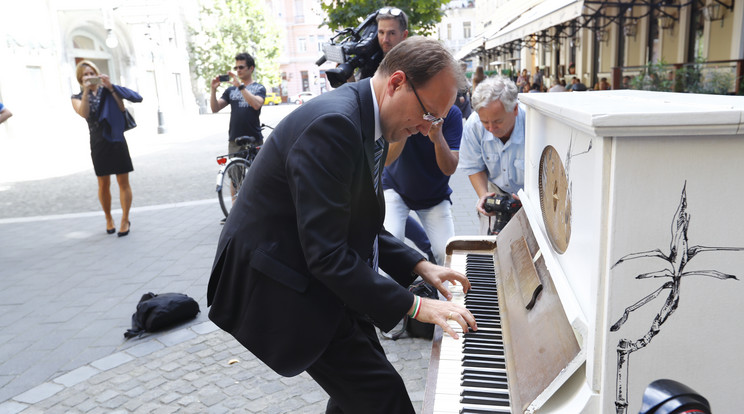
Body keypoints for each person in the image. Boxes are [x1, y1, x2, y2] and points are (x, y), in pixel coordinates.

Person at [207, 37, 476, 414]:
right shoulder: (335, 125)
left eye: (438, 120)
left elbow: (354, 218)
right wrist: (416, 307)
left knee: (362, 392)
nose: (428, 127)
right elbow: (328, 254)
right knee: (383, 395)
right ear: (397, 82)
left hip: (322, 275)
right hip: (282, 281)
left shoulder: (363, 116)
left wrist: (419, 265)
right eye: (429, 113)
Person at [382, 104, 462, 266]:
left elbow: (449, 169)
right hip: (395, 186)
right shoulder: (401, 108)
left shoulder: (451, 113)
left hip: (435, 194)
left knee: (446, 252)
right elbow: (386, 160)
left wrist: (438, 138)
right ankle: (392, 288)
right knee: (390, 241)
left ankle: (443, 289)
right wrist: (407, 127)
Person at [71, 60, 140, 237]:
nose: (89, 76)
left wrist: (110, 88)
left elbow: (121, 108)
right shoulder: (77, 97)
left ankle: (125, 219)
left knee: (123, 182)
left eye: (92, 73)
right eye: (85, 75)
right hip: (98, 143)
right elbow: (84, 113)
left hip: (117, 140)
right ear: (80, 78)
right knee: (103, 184)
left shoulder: (108, 91)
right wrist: (86, 91)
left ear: (97, 74)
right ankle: (109, 218)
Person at [458, 76, 525, 235]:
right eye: (485, 122)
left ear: (515, 109)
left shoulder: (533, 123)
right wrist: (484, 194)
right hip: (496, 189)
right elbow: (474, 166)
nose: (491, 128)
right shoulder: (473, 125)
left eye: (498, 121)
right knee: (491, 244)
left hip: (532, 197)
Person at [210, 52, 266, 154]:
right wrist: (213, 90)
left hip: (254, 140)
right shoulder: (231, 90)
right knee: (233, 169)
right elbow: (215, 109)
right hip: (235, 140)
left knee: (256, 170)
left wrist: (240, 87)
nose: (238, 70)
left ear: (251, 68)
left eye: (241, 67)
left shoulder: (259, 88)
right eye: (236, 68)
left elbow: (256, 105)